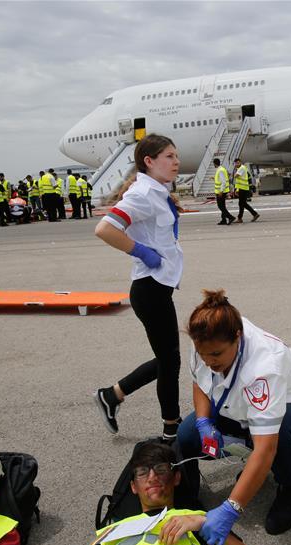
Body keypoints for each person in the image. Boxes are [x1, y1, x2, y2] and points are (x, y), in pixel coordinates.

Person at [177, 289, 291, 538]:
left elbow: (266, 447)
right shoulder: (204, 340)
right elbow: (200, 380)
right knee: (186, 435)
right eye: (203, 355)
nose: (209, 361)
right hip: (241, 408)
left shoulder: (264, 366)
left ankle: (289, 488)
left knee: (277, 435)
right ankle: (189, 497)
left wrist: (231, 508)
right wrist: (204, 422)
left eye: (216, 355)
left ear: (238, 337)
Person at [46, 442, 258, 545]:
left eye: (160, 469)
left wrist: (203, 522)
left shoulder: (192, 520)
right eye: (142, 472)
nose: (152, 477)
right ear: (133, 487)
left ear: (176, 478)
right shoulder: (114, 530)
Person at [92, 134, 184, 443]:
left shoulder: (155, 191)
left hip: (158, 286)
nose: (176, 162)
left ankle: (112, 395)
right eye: (169, 156)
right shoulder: (143, 193)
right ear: (149, 161)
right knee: (170, 362)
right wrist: (142, 252)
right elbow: (105, 229)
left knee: (168, 359)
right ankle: (171, 430)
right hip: (150, 288)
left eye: (176, 156)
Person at [232, 158, 259, 223]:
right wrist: (237, 190)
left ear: (240, 162)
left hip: (243, 189)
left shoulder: (242, 168)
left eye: (238, 163)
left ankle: (240, 218)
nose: (237, 164)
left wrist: (234, 172)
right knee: (243, 204)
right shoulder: (240, 168)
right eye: (236, 163)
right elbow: (238, 181)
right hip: (242, 188)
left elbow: (236, 176)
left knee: (242, 204)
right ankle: (254, 214)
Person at [213, 158, 235, 225]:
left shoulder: (220, 170)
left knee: (221, 206)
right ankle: (223, 220)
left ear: (215, 163)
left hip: (221, 192)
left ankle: (230, 217)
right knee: (223, 206)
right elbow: (221, 180)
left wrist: (221, 191)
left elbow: (223, 182)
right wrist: (214, 178)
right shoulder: (221, 169)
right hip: (222, 191)